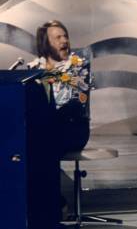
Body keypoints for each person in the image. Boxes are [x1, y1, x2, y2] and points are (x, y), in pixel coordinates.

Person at [27, 20, 91, 156]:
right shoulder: (35, 68)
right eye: (58, 38)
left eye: (65, 36)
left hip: (73, 128)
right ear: (46, 43)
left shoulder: (79, 65)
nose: (65, 41)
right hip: (44, 128)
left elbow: (78, 100)